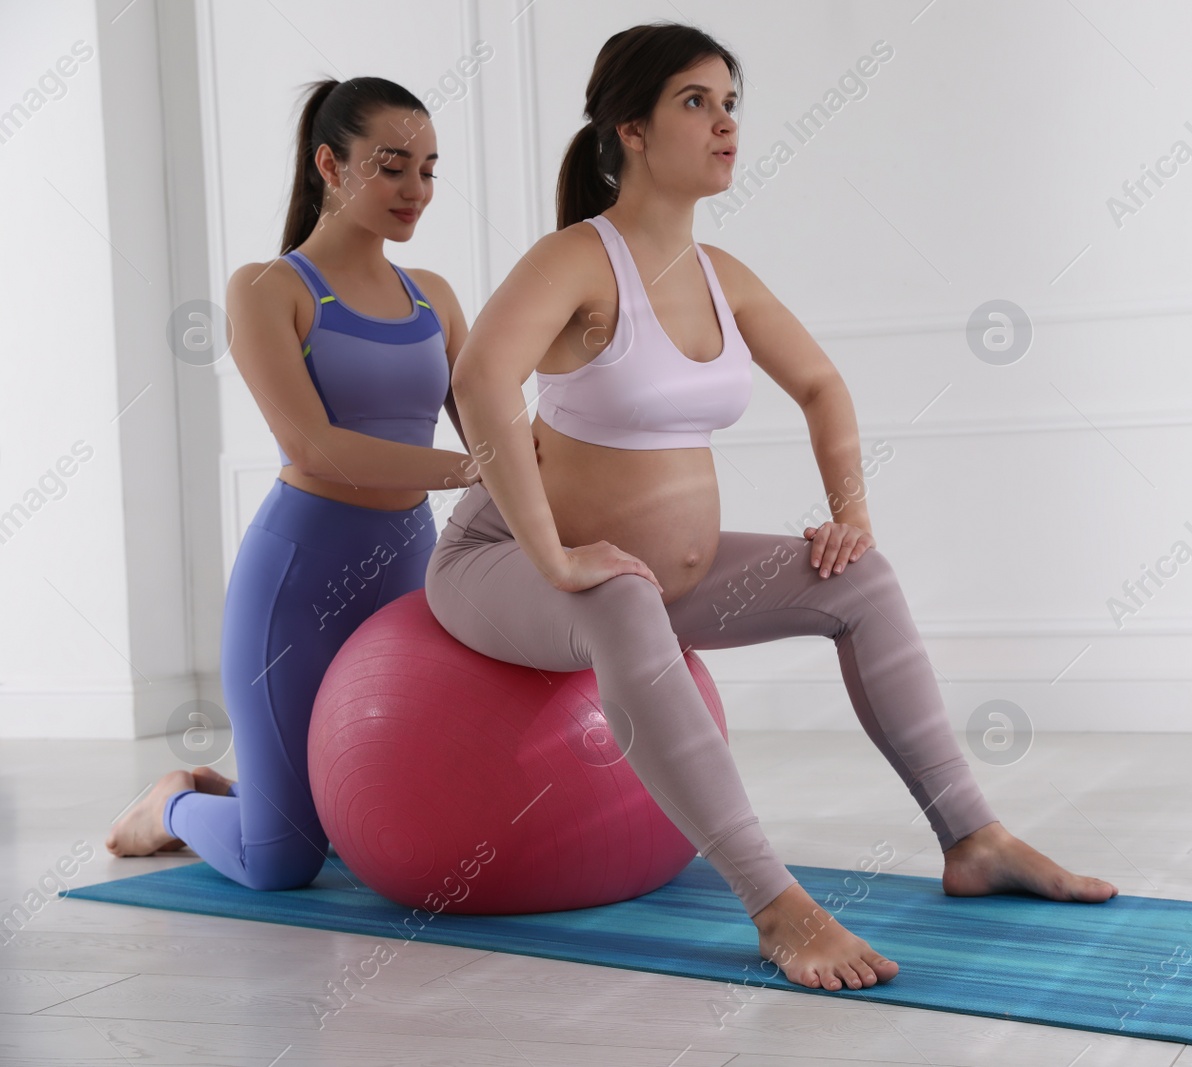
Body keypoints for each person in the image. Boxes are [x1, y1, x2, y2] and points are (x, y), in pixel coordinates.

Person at [428, 22, 1121, 992]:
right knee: (622, 599)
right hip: (501, 564)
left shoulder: (723, 277)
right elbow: (479, 376)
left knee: (862, 580)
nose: (725, 124)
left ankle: (975, 837)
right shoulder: (577, 260)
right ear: (630, 129)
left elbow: (824, 386)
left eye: (731, 104)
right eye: (695, 102)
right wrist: (552, 555)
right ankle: (775, 905)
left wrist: (851, 514)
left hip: (653, 576)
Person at [105, 77, 485, 891]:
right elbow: (313, 449)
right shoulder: (267, 289)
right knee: (280, 862)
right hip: (297, 583)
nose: (415, 190)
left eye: (428, 169)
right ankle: (172, 799)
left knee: (386, 821)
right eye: (392, 167)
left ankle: (257, 798)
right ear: (329, 163)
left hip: (408, 581)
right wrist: (473, 469)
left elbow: (495, 430)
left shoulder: (436, 299)